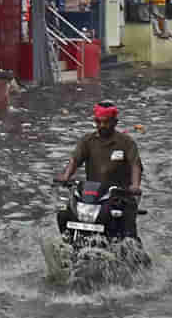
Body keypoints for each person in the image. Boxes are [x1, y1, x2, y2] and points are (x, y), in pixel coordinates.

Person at [54, 101, 144, 239]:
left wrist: (135, 186)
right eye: (98, 122)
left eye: (106, 122)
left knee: (127, 226)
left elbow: (135, 165)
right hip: (92, 197)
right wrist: (66, 177)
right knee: (64, 214)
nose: (102, 125)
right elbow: (74, 160)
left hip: (120, 195)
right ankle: (67, 244)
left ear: (115, 122)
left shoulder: (126, 143)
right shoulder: (87, 141)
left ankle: (133, 254)